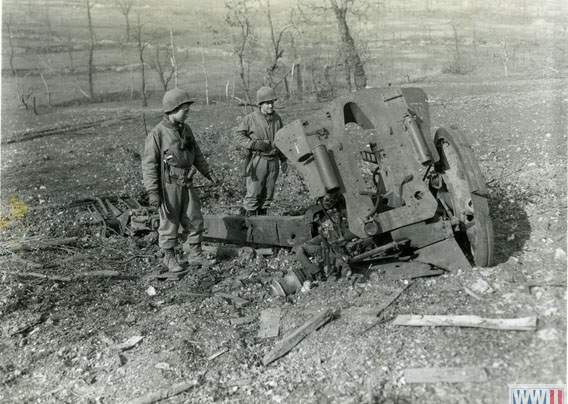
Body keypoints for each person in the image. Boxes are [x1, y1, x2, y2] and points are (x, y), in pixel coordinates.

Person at [142, 88, 218, 272]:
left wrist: (208, 172)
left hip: (187, 182)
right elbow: (149, 165)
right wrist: (153, 192)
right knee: (169, 221)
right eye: (185, 110)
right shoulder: (157, 134)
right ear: (172, 109)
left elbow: (196, 154)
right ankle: (169, 258)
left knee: (194, 217)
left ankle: (195, 253)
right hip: (169, 185)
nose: (188, 113)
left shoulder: (186, 130)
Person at [234, 86, 288, 216]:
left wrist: (283, 158)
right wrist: (253, 144)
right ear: (260, 104)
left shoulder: (277, 118)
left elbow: (281, 140)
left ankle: (262, 224)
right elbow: (238, 136)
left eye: (272, 103)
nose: (271, 106)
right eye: (267, 103)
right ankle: (248, 227)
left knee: (268, 196)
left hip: (273, 161)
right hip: (258, 160)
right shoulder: (250, 118)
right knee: (253, 194)